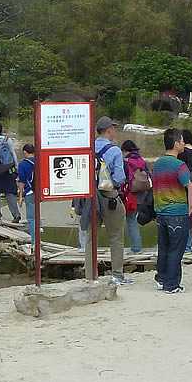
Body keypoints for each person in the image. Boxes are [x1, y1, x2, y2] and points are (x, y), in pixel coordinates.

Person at [75, 117, 129, 284]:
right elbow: (120, 178)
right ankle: (117, 275)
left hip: (90, 197)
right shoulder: (114, 151)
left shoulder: (88, 148)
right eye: (114, 128)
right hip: (109, 196)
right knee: (116, 237)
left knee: (91, 238)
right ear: (109, 129)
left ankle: (91, 276)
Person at [151, 128, 192, 294]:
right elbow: (189, 185)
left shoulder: (158, 163)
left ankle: (161, 278)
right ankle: (172, 284)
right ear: (176, 144)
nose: (183, 144)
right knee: (176, 250)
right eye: (182, 141)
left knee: (164, 247)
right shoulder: (180, 166)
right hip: (177, 212)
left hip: (161, 212)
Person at [0, 121, 21, 223]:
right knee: (9, 192)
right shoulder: (8, 140)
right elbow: (13, 155)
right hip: (8, 169)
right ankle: (16, 215)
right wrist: (16, 168)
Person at [121, 140, 151, 253]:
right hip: (143, 194)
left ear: (125, 151)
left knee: (131, 220)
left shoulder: (126, 161)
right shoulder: (141, 160)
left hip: (131, 195)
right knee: (135, 218)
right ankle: (138, 245)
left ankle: (136, 247)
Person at [17, 143, 37, 238]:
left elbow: (22, 181)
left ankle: (34, 241)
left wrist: (20, 196)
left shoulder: (23, 164)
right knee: (37, 213)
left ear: (25, 152)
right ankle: (39, 228)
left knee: (31, 218)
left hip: (30, 192)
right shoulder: (40, 161)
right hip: (40, 192)